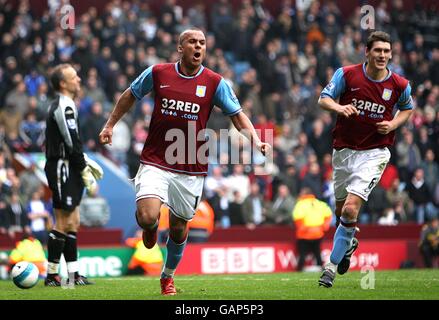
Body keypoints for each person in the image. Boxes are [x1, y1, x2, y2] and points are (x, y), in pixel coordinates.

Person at [99, 28, 271, 296]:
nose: (198, 46)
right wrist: (110, 125)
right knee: (147, 216)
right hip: (156, 159)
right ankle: (151, 226)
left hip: (190, 166)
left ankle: (167, 276)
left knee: (179, 228)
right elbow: (130, 94)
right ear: (181, 47)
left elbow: (237, 116)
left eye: (202, 42)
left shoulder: (215, 82)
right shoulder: (158, 73)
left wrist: (256, 140)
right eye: (192, 42)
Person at [317, 31, 414, 287]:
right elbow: (323, 99)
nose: (382, 55)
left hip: (374, 152)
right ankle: (348, 243)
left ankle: (330, 267)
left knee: (350, 209)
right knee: (341, 213)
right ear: (367, 52)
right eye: (378, 50)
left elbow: (408, 108)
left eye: (386, 51)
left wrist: (393, 124)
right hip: (343, 150)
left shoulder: (400, 85)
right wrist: (340, 108)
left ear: (391, 53)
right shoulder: (347, 74)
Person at [44, 63, 103, 286]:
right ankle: (51, 275)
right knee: (63, 220)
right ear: (63, 83)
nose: (78, 79)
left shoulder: (67, 104)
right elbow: (71, 142)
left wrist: (83, 161)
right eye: (73, 77)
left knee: (74, 221)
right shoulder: (64, 106)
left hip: (69, 164)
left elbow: (72, 142)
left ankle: (73, 275)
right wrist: (84, 168)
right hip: (62, 167)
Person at [293, 187, 332, 271]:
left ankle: (299, 269)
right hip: (318, 233)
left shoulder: (300, 204)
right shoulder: (320, 203)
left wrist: (305, 228)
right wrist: (323, 227)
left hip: (305, 234)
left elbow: (297, 218)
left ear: (304, 194)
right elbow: (329, 215)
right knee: (317, 253)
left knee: (302, 254)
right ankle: (321, 268)